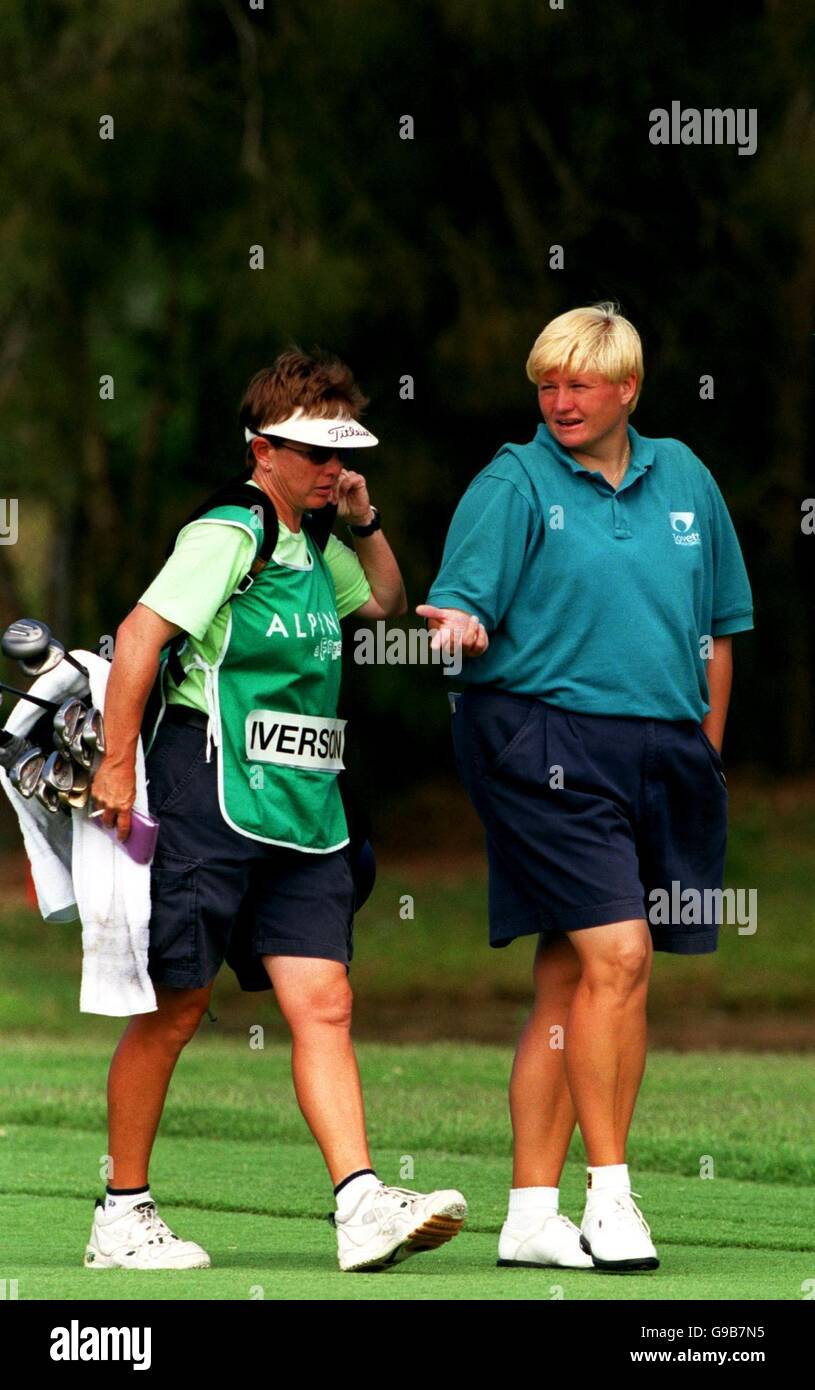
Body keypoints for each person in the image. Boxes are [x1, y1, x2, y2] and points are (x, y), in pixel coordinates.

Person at [85, 348, 466, 1273]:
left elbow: (382, 601)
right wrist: (116, 763)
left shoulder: (315, 543)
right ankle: (121, 1215)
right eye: (318, 455)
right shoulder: (228, 534)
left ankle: (360, 1206)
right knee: (177, 1007)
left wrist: (363, 518)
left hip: (306, 813)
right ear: (264, 451)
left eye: (344, 453)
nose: (335, 469)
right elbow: (142, 635)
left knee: (324, 1002)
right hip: (205, 796)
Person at [418, 303, 753, 1273]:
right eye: (546, 384)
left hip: (659, 748)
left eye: (578, 383)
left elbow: (718, 626)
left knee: (572, 976)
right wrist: (457, 627)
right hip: (538, 739)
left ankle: (529, 1213)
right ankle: (609, 1196)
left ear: (626, 390)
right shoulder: (512, 480)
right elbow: (463, 602)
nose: (559, 401)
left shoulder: (683, 475)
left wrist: (705, 751)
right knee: (619, 954)